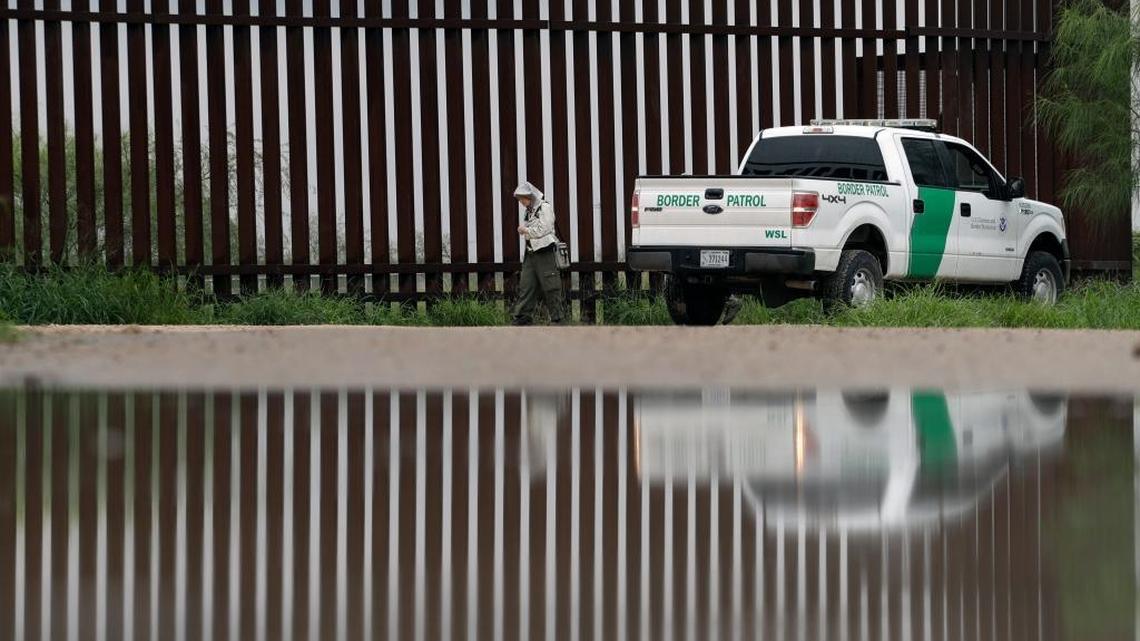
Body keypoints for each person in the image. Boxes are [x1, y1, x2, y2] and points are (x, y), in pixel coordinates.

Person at [510, 181, 567, 325]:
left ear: (530, 196)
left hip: (545, 251)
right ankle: (523, 316)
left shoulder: (544, 207)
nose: (521, 202)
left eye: (523, 198)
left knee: (550, 284)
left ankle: (557, 317)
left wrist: (526, 231)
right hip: (531, 252)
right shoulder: (529, 211)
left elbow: (545, 229)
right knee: (526, 285)